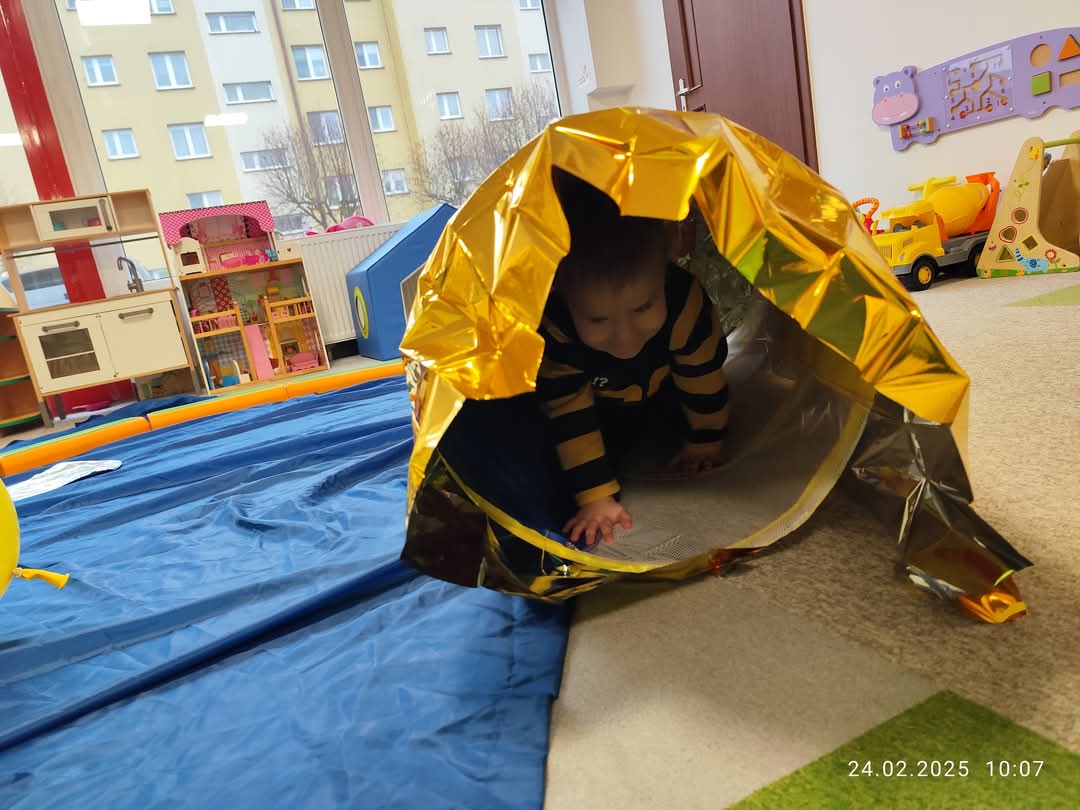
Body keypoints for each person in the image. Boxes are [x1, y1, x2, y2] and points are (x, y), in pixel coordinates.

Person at [537, 174, 730, 547]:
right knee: (550, 453)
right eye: (598, 320)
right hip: (602, 407)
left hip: (665, 390)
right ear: (560, 291)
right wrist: (595, 497)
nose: (626, 339)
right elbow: (568, 410)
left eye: (643, 307)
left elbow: (703, 375)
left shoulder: (684, 304)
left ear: (665, 271)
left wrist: (706, 440)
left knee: (678, 417)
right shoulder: (556, 329)